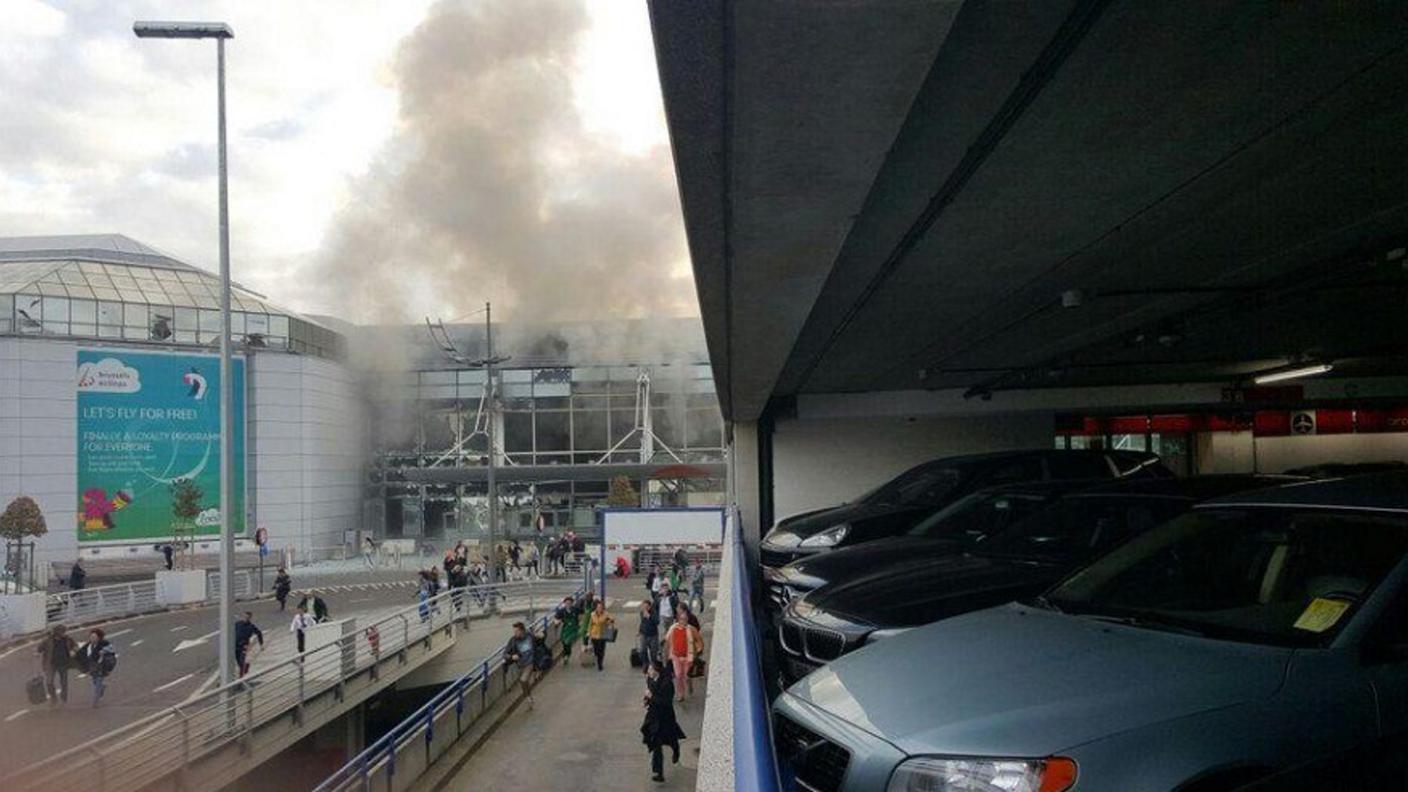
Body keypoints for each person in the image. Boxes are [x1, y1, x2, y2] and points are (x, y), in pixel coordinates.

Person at [640, 660, 685, 783]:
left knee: (670, 736)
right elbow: (649, 693)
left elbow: (666, 702)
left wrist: (651, 697)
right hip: (654, 716)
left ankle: (676, 749)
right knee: (656, 743)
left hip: (665, 716)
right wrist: (646, 701)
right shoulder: (649, 679)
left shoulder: (667, 684)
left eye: (650, 669)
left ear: (656, 671)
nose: (648, 672)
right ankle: (658, 772)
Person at [663, 610, 701, 702]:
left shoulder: (691, 629)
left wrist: (698, 649)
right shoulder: (673, 628)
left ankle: (689, 682)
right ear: (678, 620)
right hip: (676, 656)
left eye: (685, 619)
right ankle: (681, 694)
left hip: (688, 656)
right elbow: (667, 641)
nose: (684, 621)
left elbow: (698, 640)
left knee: (686, 675)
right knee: (678, 675)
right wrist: (666, 654)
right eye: (682, 619)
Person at [36, 625, 77, 705]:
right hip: (51, 664)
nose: (64, 634)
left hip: (63, 663)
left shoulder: (67, 639)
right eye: (62, 632)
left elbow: (75, 646)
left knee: (64, 682)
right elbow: (39, 648)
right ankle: (53, 697)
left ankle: (63, 696)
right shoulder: (48, 640)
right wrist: (37, 653)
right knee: (49, 682)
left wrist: (73, 651)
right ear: (57, 633)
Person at [502, 621, 538, 709]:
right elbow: (504, 654)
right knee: (523, 683)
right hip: (521, 664)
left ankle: (528, 698)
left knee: (523, 680)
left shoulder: (529, 636)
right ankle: (529, 697)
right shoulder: (513, 640)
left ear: (522, 631)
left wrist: (541, 634)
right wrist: (511, 656)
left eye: (516, 631)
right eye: (514, 632)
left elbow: (538, 640)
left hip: (530, 662)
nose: (515, 633)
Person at [78, 628, 116, 707]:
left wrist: (103, 652)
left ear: (99, 637)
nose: (92, 639)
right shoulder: (88, 645)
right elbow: (81, 654)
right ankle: (102, 688)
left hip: (101, 666)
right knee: (94, 682)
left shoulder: (105, 644)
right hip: (92, 666)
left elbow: (111, 652)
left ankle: (95, 701)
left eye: (94, 637)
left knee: (97, 684)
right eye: (91, 637)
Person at [587, 599, 615, 672]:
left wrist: (608, 622)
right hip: (594, 634)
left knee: (601, 649)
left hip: (603, 634)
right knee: (596, 649)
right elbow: (590, 624)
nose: (599, 609)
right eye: (598, 607)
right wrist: (588, 633)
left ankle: (600, 664)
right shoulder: (592, 614)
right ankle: (597, 657)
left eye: (601, 607)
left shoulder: (606, 614)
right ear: (596, 608)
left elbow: (612, 620)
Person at [233, 611, 264, 678]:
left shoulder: (251, 626)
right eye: (244, 617)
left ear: (250, 618)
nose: (245, 619)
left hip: (244, 646)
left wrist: (261, 644)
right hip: (235, 645)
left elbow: (259, 633)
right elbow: (231, 632)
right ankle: (246, 666)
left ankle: (241, 678)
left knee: (241, 661)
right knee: (238, 661)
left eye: (247, 617)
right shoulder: (237, 624)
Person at [637, 599, 660, 672]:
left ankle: (654, 663)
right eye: (643, 607)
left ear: (650, 607)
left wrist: (649, 616)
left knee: (653, 651)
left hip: (653, 635)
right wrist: (640, 631)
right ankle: (645, 663)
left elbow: (657, 622)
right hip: (644, 634)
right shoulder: (642, 613)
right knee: (642, 650)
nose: (645, 608)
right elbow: (642, 623)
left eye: (646, 607)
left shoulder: (654, 613)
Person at [555, 596, 580, 663]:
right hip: (565, 628)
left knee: (567, 641)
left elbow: (583, 613)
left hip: (573, 629)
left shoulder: (575, 609)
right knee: (564, 642)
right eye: (566, 603)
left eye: (569, 603)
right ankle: (566, 654)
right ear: (564, 603)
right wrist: (557, 622)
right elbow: (556, 619)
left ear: (572, 603)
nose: (568, 604)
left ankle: (566, 655)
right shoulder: (561, 611)